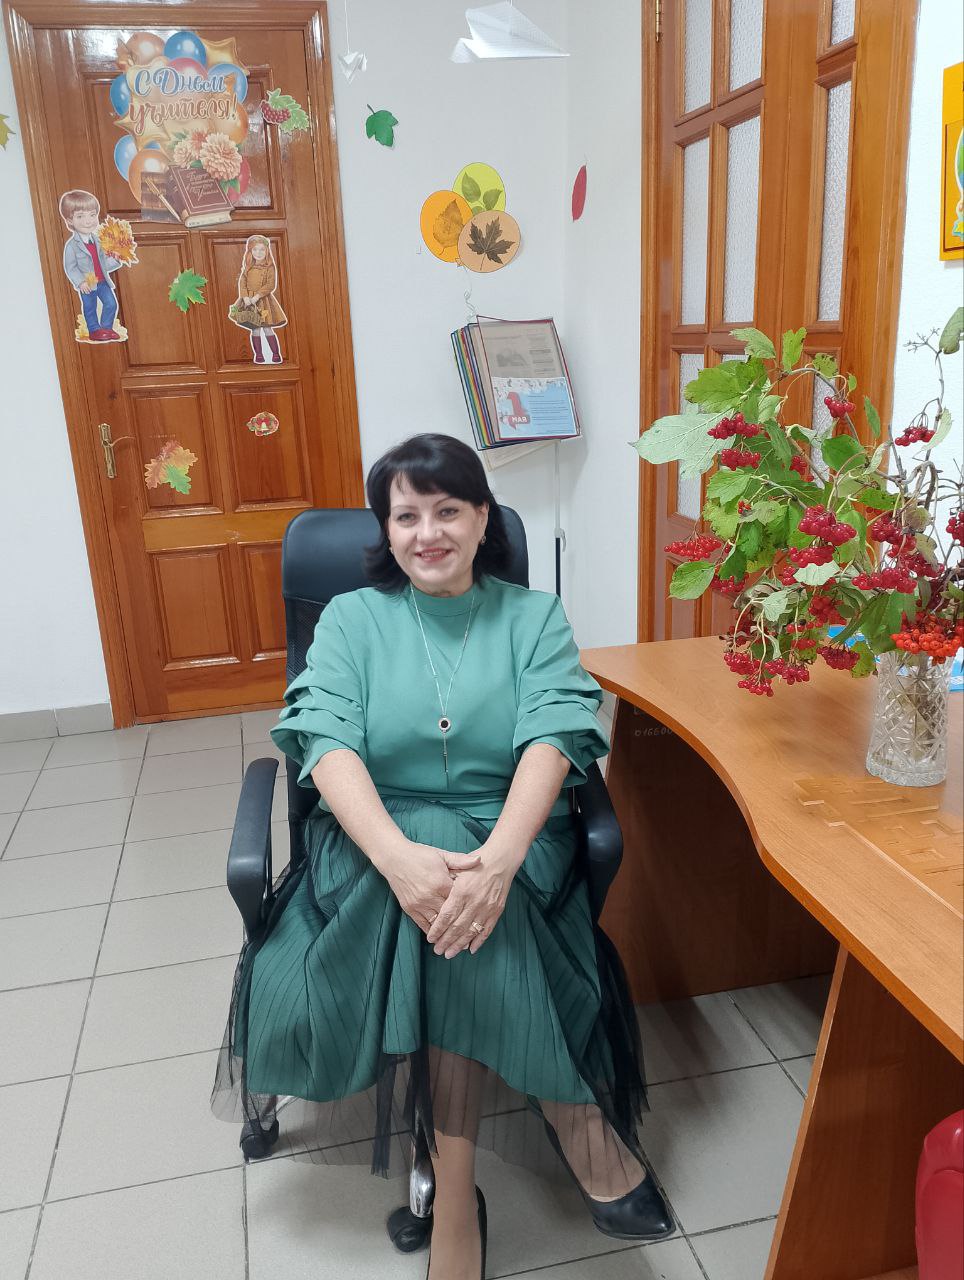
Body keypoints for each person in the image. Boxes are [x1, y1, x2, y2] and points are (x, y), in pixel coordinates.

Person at [212, 433, 673, 1280]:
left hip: (510, 843)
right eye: (406, 516)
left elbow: (554, 735)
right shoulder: (352, 619)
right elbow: (325, 741)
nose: (428, 533)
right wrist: (397, 857)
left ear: (483, 519)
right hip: (372, 845)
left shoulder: (532, 617)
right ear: (385, 530)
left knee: (455, 888)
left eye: (448, 510)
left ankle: (455, 1197)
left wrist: (496, 861)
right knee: (442, 899)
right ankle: (559, 1130)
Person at [59, 189, 125, 342]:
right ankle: (94, 330)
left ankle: (106, 328)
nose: (88, 221)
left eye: (92, 215)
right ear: (70, 220)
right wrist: (80, 282)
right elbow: (71, 267)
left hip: (102, 280)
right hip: (88, 281)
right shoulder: (72, 245)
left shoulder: (97, 240)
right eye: (80, 216)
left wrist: (115, 260)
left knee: (111, 304)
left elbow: (102, 263)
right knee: (90, 307)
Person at [227, 234, 287, 363]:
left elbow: (270, 284)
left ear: (267, 251)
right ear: (250, 251)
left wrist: (257, 296)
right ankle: (259, 355)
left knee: (267, 327)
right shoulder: (248, 267)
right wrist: (245, 297)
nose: (258, 253)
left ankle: (276, 354)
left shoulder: (270, 267)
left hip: (263, 301)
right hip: (248, 301)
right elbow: (242, 282)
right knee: (255, 328)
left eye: (261, 250)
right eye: (255, 249)